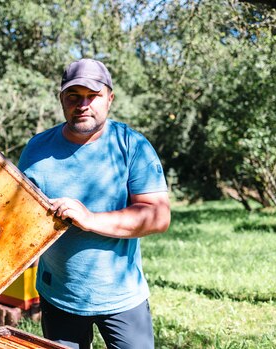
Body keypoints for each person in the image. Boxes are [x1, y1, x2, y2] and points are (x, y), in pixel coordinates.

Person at [18, 58, 170, 349]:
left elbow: (158, 216)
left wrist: (90, 219)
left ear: (109, 99)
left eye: (93, 96)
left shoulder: (133, 146)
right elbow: (24, 219)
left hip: (121, 296)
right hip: (59, 294)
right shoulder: (36, 149)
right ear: (62, 99)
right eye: (73, 96)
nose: (82, 104)